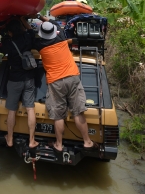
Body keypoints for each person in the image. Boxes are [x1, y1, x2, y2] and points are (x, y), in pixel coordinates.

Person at [30, 14, 97, 159]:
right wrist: (40, 16)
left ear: (42, 34)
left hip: (55, 82)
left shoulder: (40, 45)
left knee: (58, 116)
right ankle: (87, 142)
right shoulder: (61, 37)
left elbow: (29, 33)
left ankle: (59, 145)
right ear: (53, 31)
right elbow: (51, 21)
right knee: (78, 112)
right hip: (72, 77)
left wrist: (25, 20)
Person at [0, 16, 38, 150]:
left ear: (9, 32)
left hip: (14, 80)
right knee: (30, 109)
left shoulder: (8, 44)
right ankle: (32, 140)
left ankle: (9, 138)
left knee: (11, 110)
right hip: (29, 79)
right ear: (21, 28)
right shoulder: (28, 37)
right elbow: (31, 29)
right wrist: (22, 19)